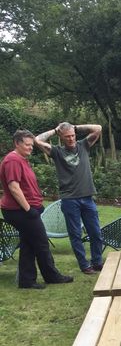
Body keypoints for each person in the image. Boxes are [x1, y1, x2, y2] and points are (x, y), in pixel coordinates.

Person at [0, 130, 73, 289]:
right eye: (27, 145)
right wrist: (29, 209)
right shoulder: (12, 160)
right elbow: (14, 187)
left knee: (29, 243)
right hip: (19, 211)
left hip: (26, 209)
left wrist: (36, 205)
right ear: (17, 143)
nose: (30, 148)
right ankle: (52, 276)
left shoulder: (22, 159)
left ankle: (26, 281)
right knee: (41, 242)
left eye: (31, 145)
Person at [35, 122, 104, 274]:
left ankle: (97, 262)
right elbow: (38, 140)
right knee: (75, 235)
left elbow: (98, 128)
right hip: (70, 200)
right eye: (67, 137)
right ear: (61, 137)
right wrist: (54, 130)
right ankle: (84, 265)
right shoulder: (56, 152)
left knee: (95, 232)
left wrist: (75, 127)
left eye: (72, 135)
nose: (71, 139)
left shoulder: (83, 145)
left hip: (87, 198)